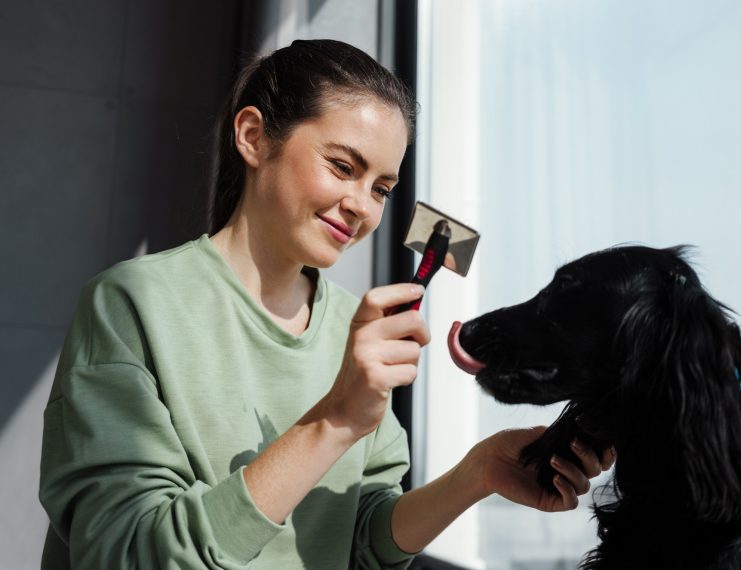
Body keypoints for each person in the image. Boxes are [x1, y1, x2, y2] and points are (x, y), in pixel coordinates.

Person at [39, 39, 612, 569]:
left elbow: (358, 542)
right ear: (253, 137)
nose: (361, 204)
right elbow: (129, 554)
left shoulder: (355, 330)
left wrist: (477, 473)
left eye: (382, 188)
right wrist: (335, 419)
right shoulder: (132, 305)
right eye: (343, 166)